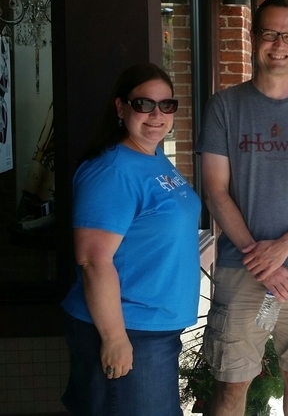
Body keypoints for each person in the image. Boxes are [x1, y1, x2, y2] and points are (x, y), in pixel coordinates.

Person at [197, 0, 288, 416]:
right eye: (268, 33)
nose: (278, 44)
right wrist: (259, 258)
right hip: (239, 266)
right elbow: (216, 190)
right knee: (231, 385)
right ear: (253, 38)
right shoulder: (224, 106)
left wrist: (281, 249)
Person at [61, 63, 201, 415]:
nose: (157, 115)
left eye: (167, 105)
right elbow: (93, 259)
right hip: (128, 329)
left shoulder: (153, 157)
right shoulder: (112, 170)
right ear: (121, 108)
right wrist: (113, 338)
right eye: (144, 104)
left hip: (154, 329)